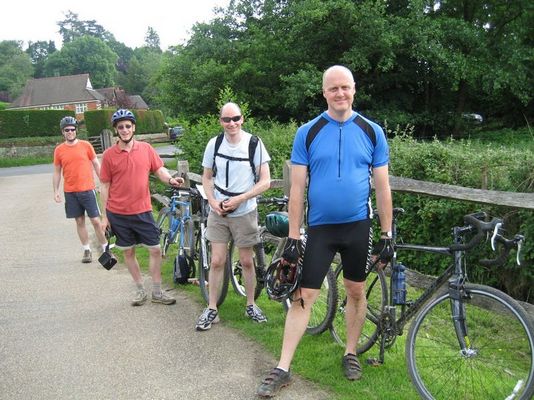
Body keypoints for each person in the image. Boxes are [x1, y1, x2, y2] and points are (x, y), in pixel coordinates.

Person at [257, 65, 394, 397]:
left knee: (356, 291)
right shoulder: (308, 132)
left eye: (345, 87)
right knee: (304, 295)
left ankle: (350, 352)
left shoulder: (372, 131)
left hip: (358, 226)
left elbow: (383, 187)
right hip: (320, 228)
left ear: (354, 89)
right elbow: (297, 189)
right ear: (324, 93)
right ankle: (283, 367)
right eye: (333, 89)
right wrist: (292, 235)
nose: (340, 93)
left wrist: (387, 234)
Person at [195, 102, 272, 331]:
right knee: (217, 260)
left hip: (244, 211)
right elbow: (207, 177)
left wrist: (240, 199)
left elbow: (265, 181)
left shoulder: (254, 144)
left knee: (247, 261)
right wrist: (212, 201)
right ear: (220, 121)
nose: (232, 123)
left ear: (242, 119)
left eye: (235, 118)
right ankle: (211, 308)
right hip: (219, 212)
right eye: (226, 119)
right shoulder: (214, 144)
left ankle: (250, 304)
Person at [99, 109, 185, 306]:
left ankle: (156, 291)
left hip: (143, 210)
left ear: (134, 127)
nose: (125, 130)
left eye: (128, 126)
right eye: (120, 127)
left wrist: (171, 179)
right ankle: (139, 290)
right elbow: (104, 185)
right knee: (128, 252)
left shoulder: (146, 149)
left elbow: (159, 170)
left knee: (155, 249)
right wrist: (104, 217)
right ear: (116, 130)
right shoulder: (109, 155)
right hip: (118, 212)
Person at [53, 116, 108, 263]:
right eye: (67, 130)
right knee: (79, 221)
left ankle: (105, 249)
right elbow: (57, 171)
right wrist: (56, 191)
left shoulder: (86, 145)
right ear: (62, 132)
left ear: (76, 130)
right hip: (70, 192)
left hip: (88, 190)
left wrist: (104, 181)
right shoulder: (59, 150)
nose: (70, 132)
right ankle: (87, 250)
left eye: (72, 129)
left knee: (96, 221)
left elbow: (96, 164)